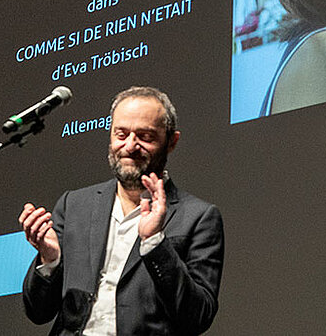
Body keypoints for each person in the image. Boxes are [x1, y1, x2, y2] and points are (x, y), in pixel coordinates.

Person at [19, 86, 223, 335]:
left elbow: (197, 317)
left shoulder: (199, 217)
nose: (130, 146)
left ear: (172, 142)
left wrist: (155, 243)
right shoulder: (74, 205)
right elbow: (38, 312)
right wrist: (50, 261)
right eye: (121, 134)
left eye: (145, 137)